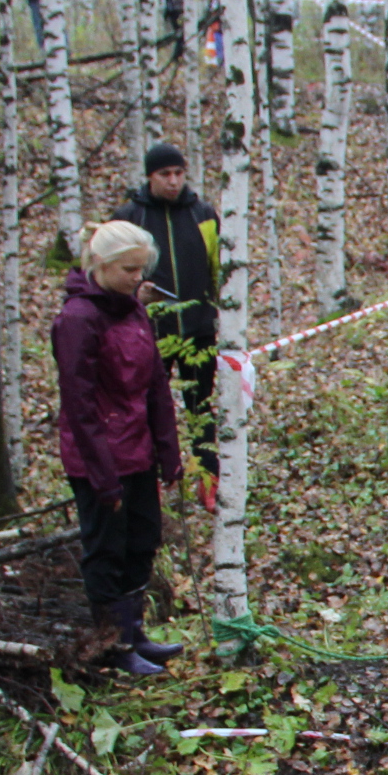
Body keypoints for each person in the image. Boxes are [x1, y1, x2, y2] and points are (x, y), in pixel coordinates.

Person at [53, 221, 185, 677]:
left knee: (142, 541)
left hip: (138, 450)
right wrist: (102, 476)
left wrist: (168, 452)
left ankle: (135, 632)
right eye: (129, 270)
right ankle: (113, 644)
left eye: (140, 269)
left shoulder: (135, 312)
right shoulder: (77, 320)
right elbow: (80, 405)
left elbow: (154, 388)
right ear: (102, 266)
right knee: (106, 548)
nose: (138, 279)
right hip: (98, 458)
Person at [112, 143, 221, 509]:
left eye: (178, 173)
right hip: (147, 334)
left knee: (200, 406)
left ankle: (208, 481)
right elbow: (108, 276)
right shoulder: (129, 218)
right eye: (165, 175)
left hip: (198, 329)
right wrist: (134, 298)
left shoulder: (203, 214)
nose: (173, 182)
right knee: (144, 409)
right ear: (149, 177)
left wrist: (216, 310)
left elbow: (219, 268)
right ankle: (151, 482)